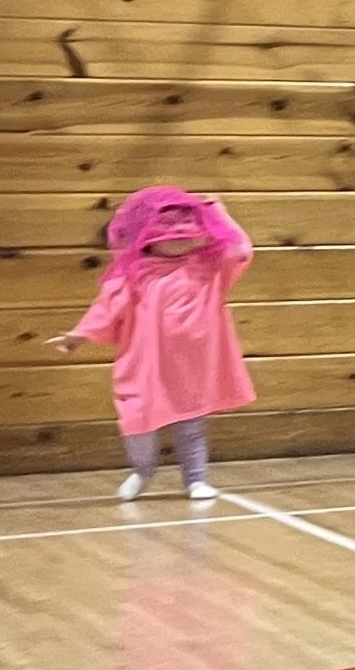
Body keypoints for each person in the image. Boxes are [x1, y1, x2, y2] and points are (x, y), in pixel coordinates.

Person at [49, 186, 257, 503]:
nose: (179, 240)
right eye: (168, 236)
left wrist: (219, 214)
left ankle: (196, 479)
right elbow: (105, 309)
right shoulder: (133, 275)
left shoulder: (210, 269)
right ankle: (143, 470)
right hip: (146, 366)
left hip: (193, 365)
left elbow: (240, 250)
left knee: (191, 426)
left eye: (187, 233)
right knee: (137, 423)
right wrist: (77, 336)